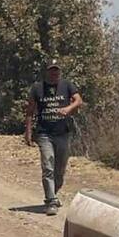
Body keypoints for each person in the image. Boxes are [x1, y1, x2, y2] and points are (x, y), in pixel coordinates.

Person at [25, 59, 82, 216]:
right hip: (44, 134)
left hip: (63, 133)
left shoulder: (67, 85)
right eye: (51, 70)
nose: (54, 73)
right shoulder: (37, 88)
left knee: (60, 170)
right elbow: (30, 111)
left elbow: (78, 100)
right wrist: (28, 132)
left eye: (57, 70)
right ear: (47, 72)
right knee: (48, 166)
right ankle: (50, 201)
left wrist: (68, 108)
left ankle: (53, 194)